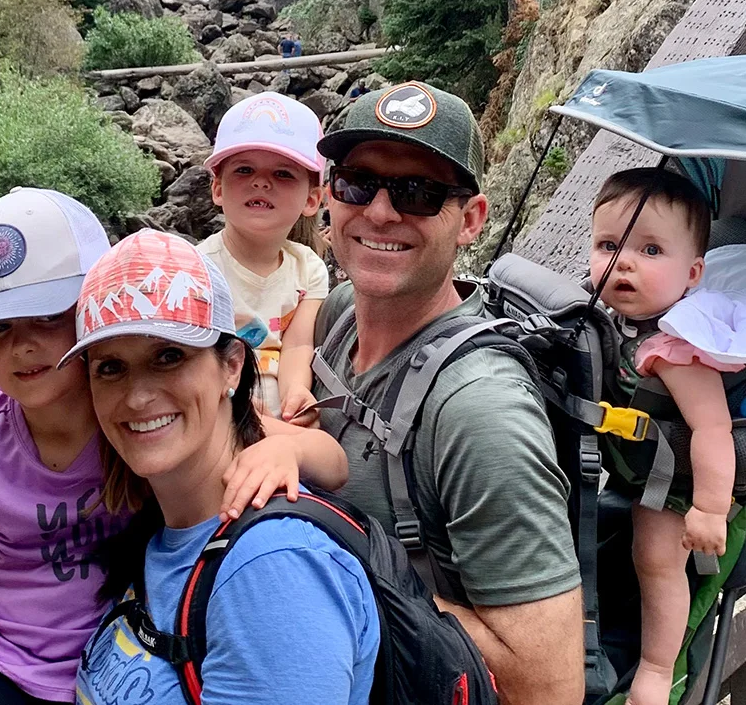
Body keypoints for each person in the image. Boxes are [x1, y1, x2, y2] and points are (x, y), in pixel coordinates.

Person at [0, 188, 354, 705]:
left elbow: (327, 458)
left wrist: (285, 454)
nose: (23, 344)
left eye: (47, 316)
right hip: (2, 662)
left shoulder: (145, 417)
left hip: (122, 650)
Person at [312, 82, 585, 705]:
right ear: (331, 197)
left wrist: (337, 556)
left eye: (417, 192)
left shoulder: (480, 412)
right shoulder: (341, 313)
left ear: (470, 220)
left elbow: (549, 687)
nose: (380, 212)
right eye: (357, 182)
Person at [69, 229, 380, 705]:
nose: (136, 396)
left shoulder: (273, 570)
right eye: (111, 367)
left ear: (232, 367)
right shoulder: (158, 523)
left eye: (169, 357)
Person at [589, 168, 745, 705]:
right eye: (609, 245)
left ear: (694, 272)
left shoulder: (678, 345)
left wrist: (706, 508)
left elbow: (712, 427)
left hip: (678, 486)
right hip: (635, 467)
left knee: (655, 559)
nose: (624, 261)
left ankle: (655, 672)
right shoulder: (614, 318)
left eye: (651, 250)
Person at [198, 92, 328, 420]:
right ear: (218, 189)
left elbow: (298, 346)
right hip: (214, 410)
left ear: (312, 199)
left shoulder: (309, 270)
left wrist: (296, 392)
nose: (261, 182)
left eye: (283, 174)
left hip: (277, 420)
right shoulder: (198, 267)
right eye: (244, 170)